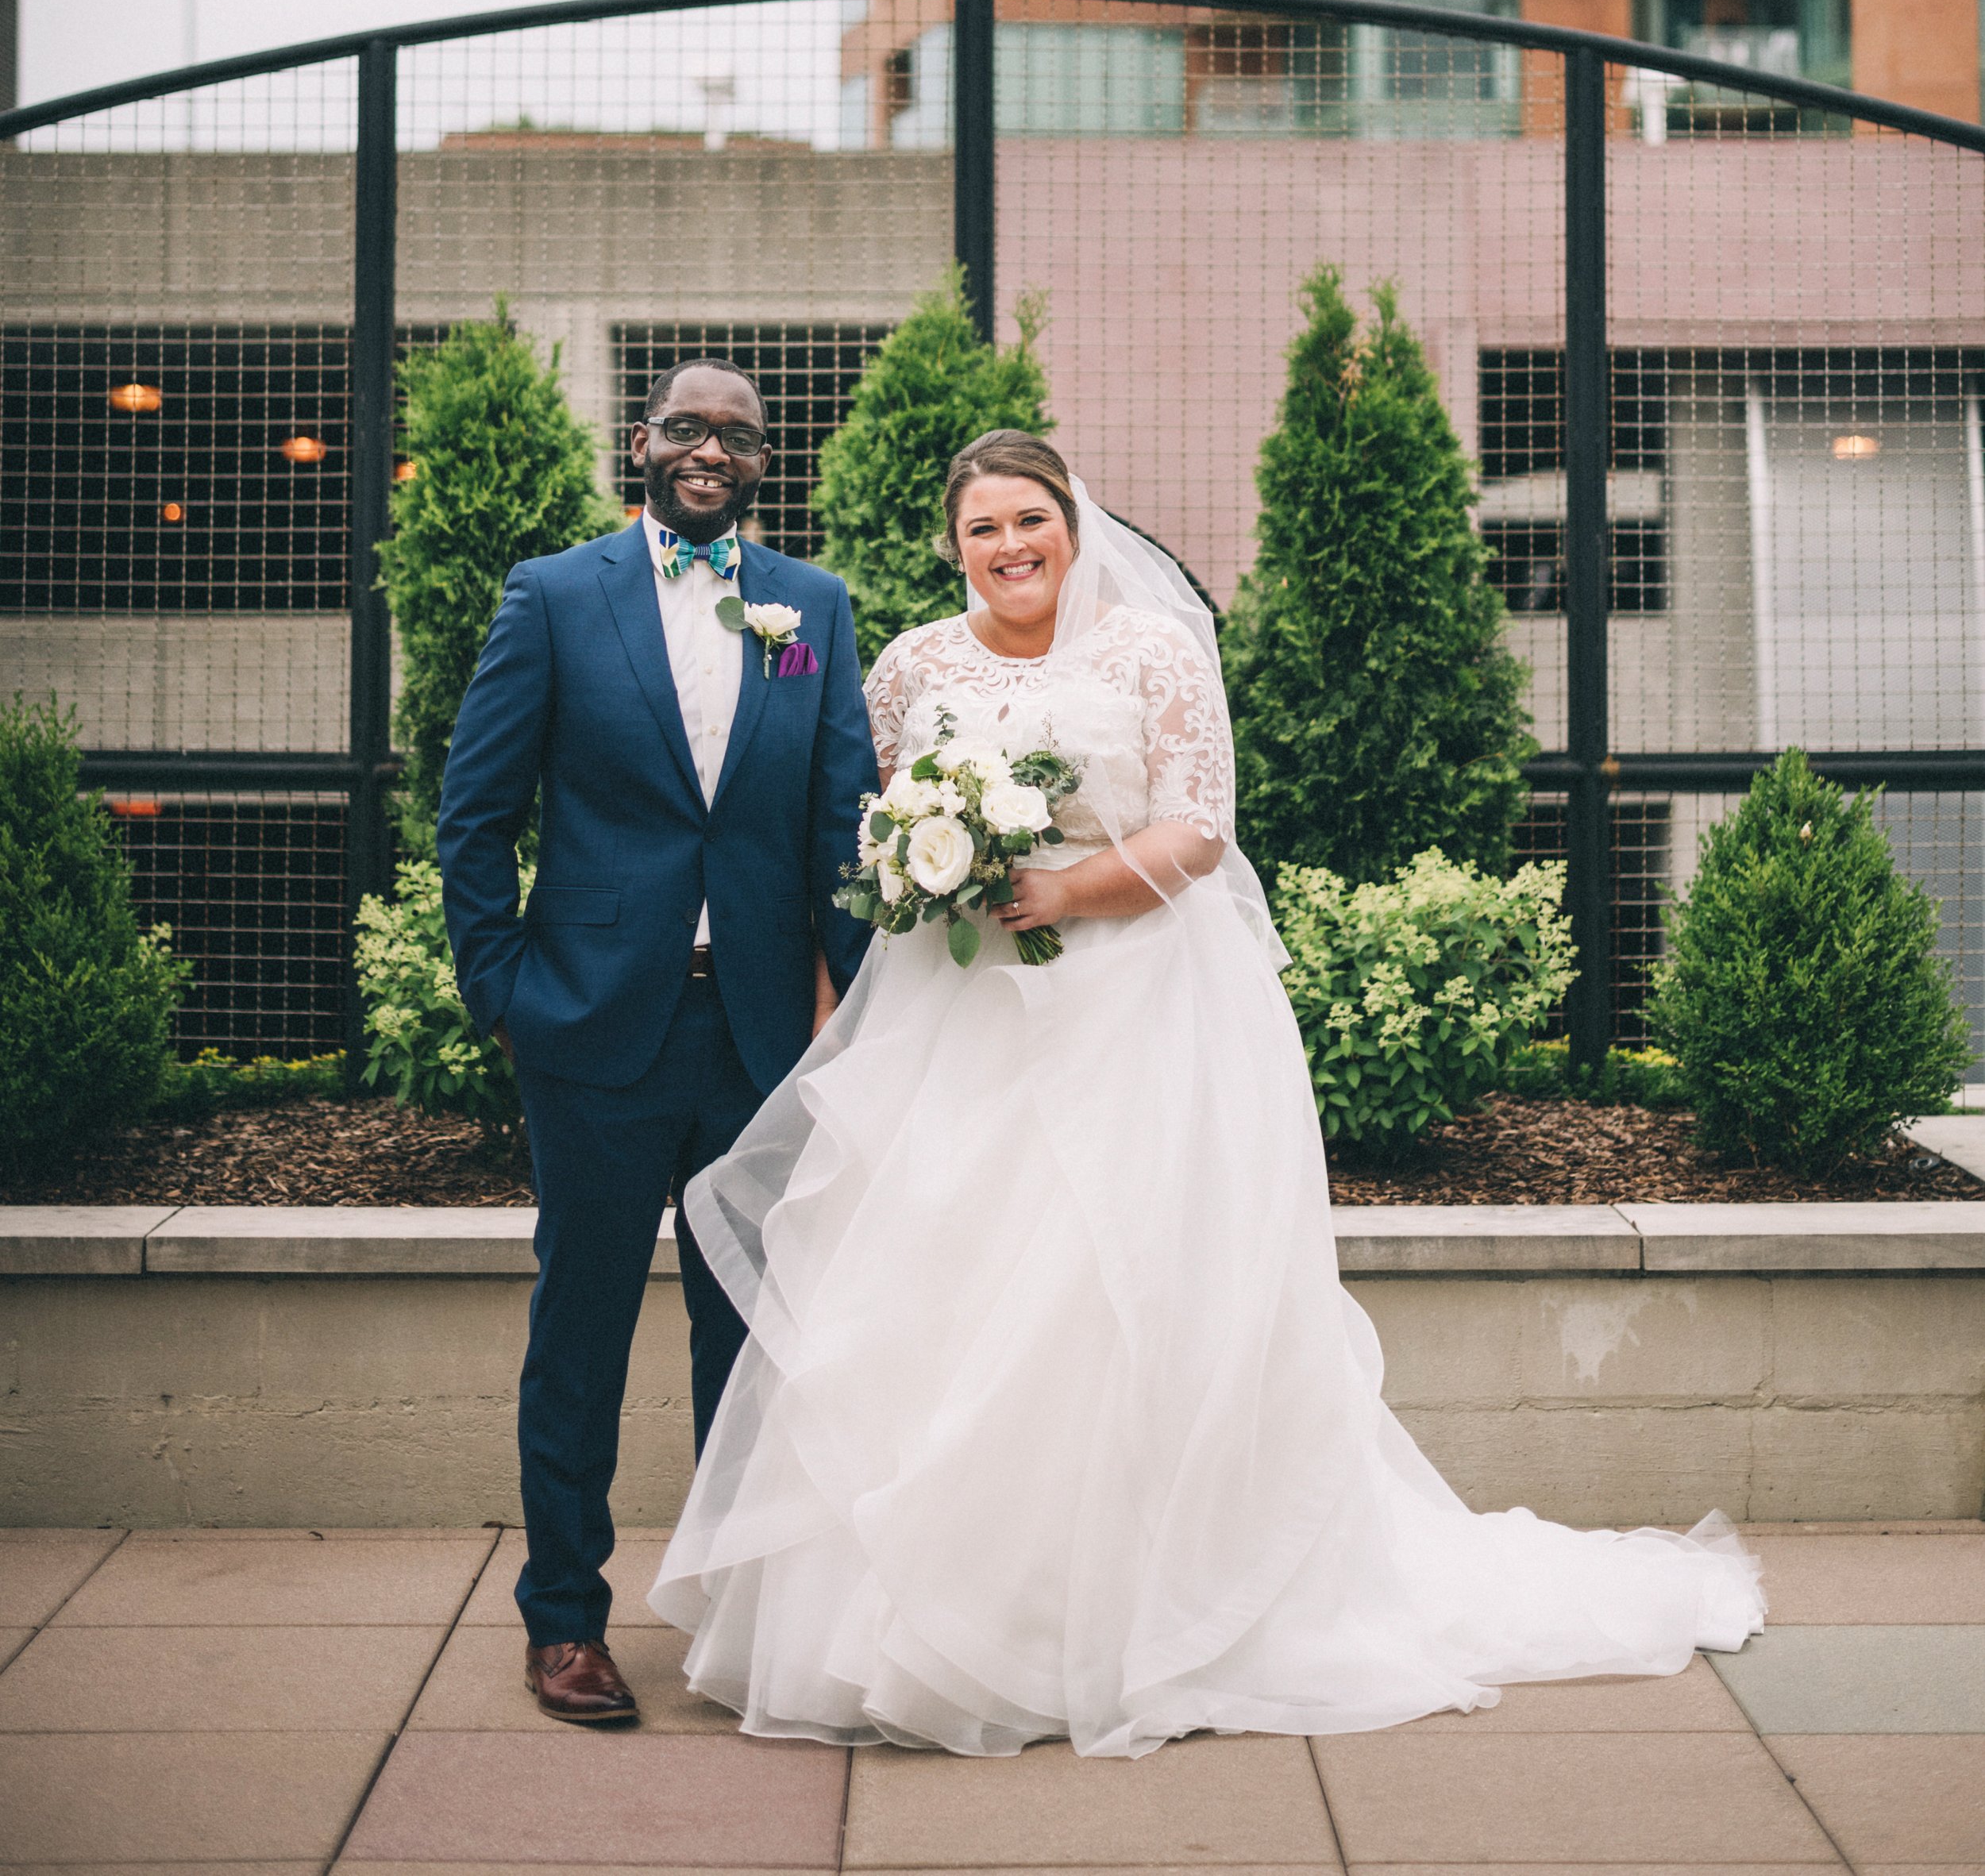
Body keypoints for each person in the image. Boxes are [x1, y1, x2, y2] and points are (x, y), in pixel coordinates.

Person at [650, 427, 1764, 1758]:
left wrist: (1063, 885)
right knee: (945, 1294)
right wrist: (927, 870)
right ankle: (943, 1619)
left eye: (1029, 519)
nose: (1009, 548)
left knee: (1115, 1300)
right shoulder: (911, 667)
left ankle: (1136, 1619)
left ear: (1072, 522)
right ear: (952, 548)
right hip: (957, 1020)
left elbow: (1199, 823)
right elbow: (880, 822)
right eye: (981, 530)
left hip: (1134, 1010)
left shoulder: (1152, 651)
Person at [437, 360, 873, 1728]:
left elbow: (839, 827)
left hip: (754, 1041)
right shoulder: (555, 595)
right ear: (644, 441)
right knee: (580, 1332)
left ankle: (736, 1619)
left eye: (739, 435)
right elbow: (473, 811)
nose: (710, 450)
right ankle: (563, 1619)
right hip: (591, 1030)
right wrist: (504, 991)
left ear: (761, 461)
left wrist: (859, 1029)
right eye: (687, 427)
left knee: (743, 1341)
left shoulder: (809, 608)